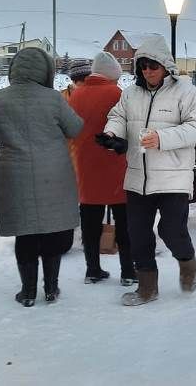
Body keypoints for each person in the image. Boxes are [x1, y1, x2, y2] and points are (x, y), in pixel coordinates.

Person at [102, 35, 196, 306]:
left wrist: (163, 138)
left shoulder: (186, 92)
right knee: (138, 235)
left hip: (173, 177)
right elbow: (118, 116)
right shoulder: (131, 93)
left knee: (171, 231)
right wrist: (112, 134)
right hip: (138, 176)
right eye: (143, 65)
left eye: (153, 65)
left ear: (165, 66)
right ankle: (147, 288)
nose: (148, 70)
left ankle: (187, 262)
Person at [0, 47, 84, 307]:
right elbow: (75, 128)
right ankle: (51, 289)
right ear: (46, 71)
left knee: (25, 233)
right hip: (53, 175)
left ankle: (27, 291)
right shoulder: (54, 99)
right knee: (51, 232)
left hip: (13, 175)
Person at [68, 52, 137, 286]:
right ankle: (128, 271)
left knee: (90, 222)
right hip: (117, 166)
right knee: (124, 221)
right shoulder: (118, 94)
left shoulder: (75, 95)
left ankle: (92, 270)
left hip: (86, 167)